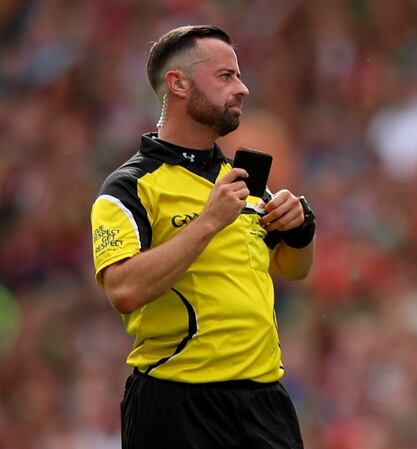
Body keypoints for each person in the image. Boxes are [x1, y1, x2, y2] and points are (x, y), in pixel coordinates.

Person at [90, 25, 314, 449]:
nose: (243, 88)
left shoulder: (241, 179)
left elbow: (293, 269)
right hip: (176, 401)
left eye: (240, 75)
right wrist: (208, 222)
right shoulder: (130, 187)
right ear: (178, 83)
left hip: (264, 401)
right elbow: (122, 289)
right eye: (226, 76)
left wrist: (301, 230)